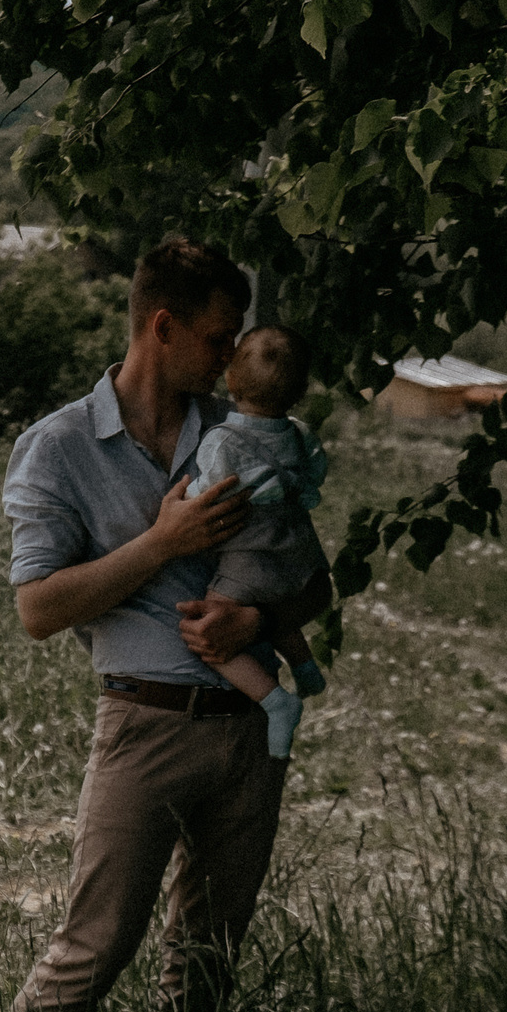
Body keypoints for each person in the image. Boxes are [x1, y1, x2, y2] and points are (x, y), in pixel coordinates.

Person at [0, 238, 333, 1012]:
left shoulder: (242, 424)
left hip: (248, 730)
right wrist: (162, 544)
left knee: (206, 962)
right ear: (161, 328)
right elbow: (39, 609)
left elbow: (310, 578)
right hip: (143, 727)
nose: (230, 352)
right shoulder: (58, 448)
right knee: (92, 951)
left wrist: (255, 611)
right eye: (215, 336)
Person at [184, 324, 331, 758]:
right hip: (300, 548)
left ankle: (275, 701)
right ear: (300, 391)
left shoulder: (223, 440)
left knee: (207, 631)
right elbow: (313, 479)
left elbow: (205, 496)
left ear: (230, 379)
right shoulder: (302, 435)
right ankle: (305, 668)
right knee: (278, 607)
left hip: (252, 553)